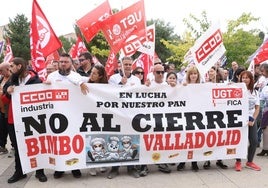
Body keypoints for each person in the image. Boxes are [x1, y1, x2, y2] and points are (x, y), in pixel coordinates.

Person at [1, 57, 47, 183]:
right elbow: (4, 100)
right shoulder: (11, 81)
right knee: (18, 147)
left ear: (19, 66)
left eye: (12, 66)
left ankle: (40, 172)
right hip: (14, 120)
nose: (10, 69)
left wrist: (48, 86)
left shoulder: (36, 80)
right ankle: (19, 172)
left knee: (37, 145)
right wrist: (8, 93)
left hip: (34, 120)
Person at [46, 53, 89, 179]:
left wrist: (80, 82)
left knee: (74, 140)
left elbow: (91, 83)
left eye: (66, 62)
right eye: (61, 62)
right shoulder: (52, 76)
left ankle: (75, 167)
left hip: (74, 114)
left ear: (71, 63)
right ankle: (60, 168)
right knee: (59, 142)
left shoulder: (77, 76)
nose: (63, 64)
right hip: (57, 115)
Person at [107, 56, 141, 179]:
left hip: (131, 114)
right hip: (117, 114)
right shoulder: (113, 78)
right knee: (115, 140)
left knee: (130, 140)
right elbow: (109, 94)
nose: (127, 66)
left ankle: (131, 168)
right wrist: (121, 84)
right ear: (120, 65)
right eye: (125, 64)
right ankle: (114, 168)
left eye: (129, 64)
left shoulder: (137, 80)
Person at [145, 63, 171, 174]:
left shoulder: (168, 85)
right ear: (153, 73)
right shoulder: (148, 86)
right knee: (147, 141)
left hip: (164, 119)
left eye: (162, 72)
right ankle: (144, 164)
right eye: (158, 72)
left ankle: (162, 162)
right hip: (149, 118)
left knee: (162, 141)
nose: (160, 74)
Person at [235, 71, 261, 171]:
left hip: (251, 120)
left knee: (254, 141)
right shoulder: (237, 89)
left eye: (247, 78)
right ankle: (238, 161)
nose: (244, 79)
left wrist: (253, 119)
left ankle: (249, 162)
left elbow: (257, 108)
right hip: (239, 119)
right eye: (243, 78)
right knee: (240, 141)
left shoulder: (255, 92)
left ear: (251, 79)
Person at [203, 66, 228, 170]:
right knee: (209, 137)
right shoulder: (205, 85)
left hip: (220, 114)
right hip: (208, 114)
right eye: (209, 71)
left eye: (212, 71)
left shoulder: (223, 84)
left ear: (216, 72)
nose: (210, 73)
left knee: (220, 137)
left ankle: (219, 159)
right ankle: (207, 159)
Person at [177, 66, 200, 172]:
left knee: (194, 140)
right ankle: (182, 161)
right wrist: (182, 86)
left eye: (195, 73)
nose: (193, 75)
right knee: (185, 139)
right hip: (185, 116)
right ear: (188, 75)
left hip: (197, 116)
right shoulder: (183, 85)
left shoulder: (202, 87)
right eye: (191, 74)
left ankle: (194, 162)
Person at [0, 62, 12, 155]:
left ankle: (14, 147)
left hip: (9, 109)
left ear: (8, 69)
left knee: (10, 129)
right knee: (2, 129)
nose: (0, 72)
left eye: (1, 70)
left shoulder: (13, 79)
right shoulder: (1, 78)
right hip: (1, 108)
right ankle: (2, 146)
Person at [256, 63, 268, 156]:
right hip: (265, 109)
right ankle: (265, 149)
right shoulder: (264, 80)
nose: (262, 73)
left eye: (263, 71)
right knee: (265, 129)